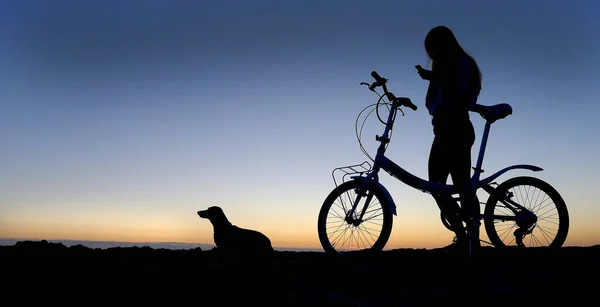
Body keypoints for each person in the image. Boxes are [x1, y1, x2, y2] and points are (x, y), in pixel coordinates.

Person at [415, 26, 482, 250]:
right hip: (444, 128)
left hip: (456, 128)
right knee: (446, 185)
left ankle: (468, 238)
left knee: (451, 184)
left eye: (434, 49)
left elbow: (462, 94)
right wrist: (434, 77)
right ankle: (466, 236)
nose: (432, 55)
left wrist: (435, 77)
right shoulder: (444, 66)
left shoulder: (461, 64)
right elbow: (434, 101)